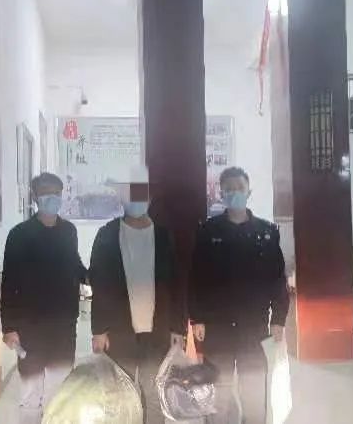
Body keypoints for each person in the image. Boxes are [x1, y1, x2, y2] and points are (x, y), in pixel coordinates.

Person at [189, 166, 290, 424]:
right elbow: (196, 278)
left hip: (254, 328)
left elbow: (277, 279)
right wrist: (196, 318)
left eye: (240, 188)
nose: (234, 193)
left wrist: (279, 319)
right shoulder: (208, 232)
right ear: (221, 193)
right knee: (218, 396)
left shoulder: (266, 233)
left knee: (254, 395)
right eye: (229, 189)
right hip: (217, 328)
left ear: (249, 192)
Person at [89, 166, 186, 424]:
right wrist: (98, 330)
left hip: (158, 331)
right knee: (121, 396)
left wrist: (178, 327)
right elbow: (99, 285)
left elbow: (177, 285)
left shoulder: (163, 236)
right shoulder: (107, 235)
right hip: (118, 331)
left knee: (154, 394)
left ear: (150, 197)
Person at [0, 173, 87, 424]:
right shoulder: (19, 234)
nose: (53, 198)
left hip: (63, 326)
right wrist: (9, 327)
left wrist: (94, 277)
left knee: (61, 392)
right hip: (30, 327)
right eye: (47, 193)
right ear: (36, 197)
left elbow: (75, 265)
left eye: (57, 193)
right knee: (31, 394)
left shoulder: (68, 231)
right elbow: (9, 283)